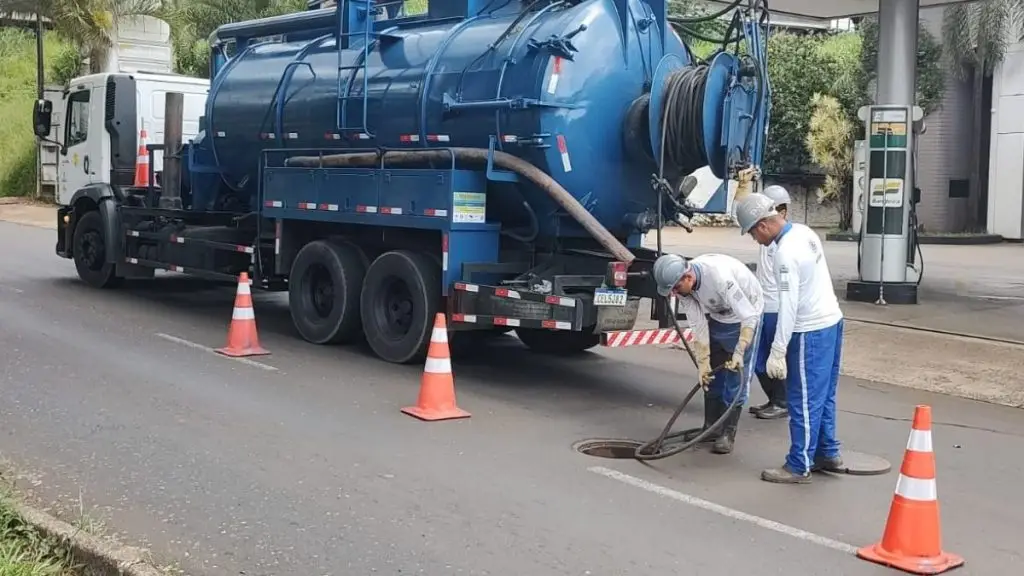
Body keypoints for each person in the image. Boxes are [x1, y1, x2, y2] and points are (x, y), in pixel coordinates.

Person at [734, 193, 845, 484]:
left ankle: (798, 465)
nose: (755, 241)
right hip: (832, 320)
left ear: (762, 226)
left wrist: (778, 349)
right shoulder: (805, 232)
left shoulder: (784, 254)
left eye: (752, 234)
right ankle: (827, 451)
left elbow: (789, 306)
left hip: (809, 331)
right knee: (824, 395)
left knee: (803, 400)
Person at [652, 252, 764, 455]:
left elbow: (749, 316)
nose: (674, 293)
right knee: (711, 376)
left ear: (688, 277)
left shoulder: (719, 277)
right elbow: (698, 325)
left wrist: (739, 351)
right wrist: (703, 362)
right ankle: (710, 427)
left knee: (735, 378)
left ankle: (727, 434)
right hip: (719, 317)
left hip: (745, 317)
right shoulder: (684, 290)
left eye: (676, 288)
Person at [749, 186, 791, 421]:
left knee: (767, 359)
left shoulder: (783, 242)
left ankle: (781, 402)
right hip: (762, 305)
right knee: (758, 360)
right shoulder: (768, 237)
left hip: (775, 308)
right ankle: (774, 399)